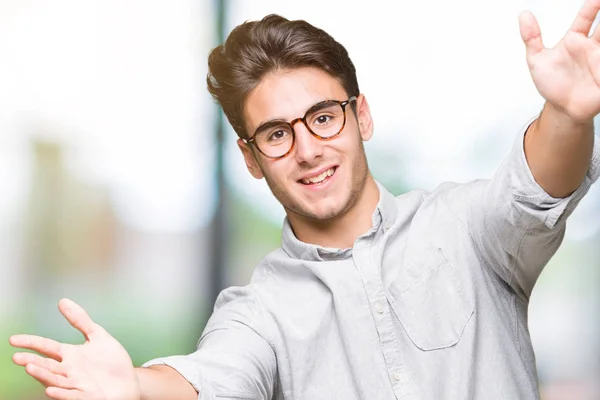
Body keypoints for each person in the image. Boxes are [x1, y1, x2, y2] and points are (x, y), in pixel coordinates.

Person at [9, 1, 600, 399]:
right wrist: (137, 388)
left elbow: (533, 188)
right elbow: (211, 379)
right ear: (251, 158)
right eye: (276, 133)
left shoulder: (464, 228)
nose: (307, 149)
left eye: (323, 117)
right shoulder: (257, 311)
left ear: (360, 115)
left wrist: (569, 114)